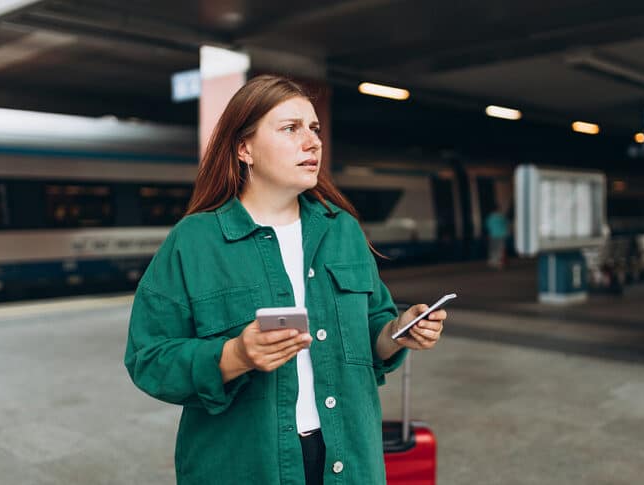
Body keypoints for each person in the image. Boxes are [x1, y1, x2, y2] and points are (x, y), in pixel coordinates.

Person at [124, 74, 447, 485]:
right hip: (244, 467)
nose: (312, 142)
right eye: (290, 129)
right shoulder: (195, 241)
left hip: (348, 460)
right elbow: (148, 358)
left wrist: (399, 330)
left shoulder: (341, 229)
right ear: (245, 149)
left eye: (314, 128)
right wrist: (237, 355)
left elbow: (373, 331)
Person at [485, 203, 509, 269]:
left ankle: (493, 261)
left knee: (493, 248)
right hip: (502, 235)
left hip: (493, 235)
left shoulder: (490, 217)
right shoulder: (502, 216)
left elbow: (487, 225)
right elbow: (506, 224)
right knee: (501, 248)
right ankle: (501, 262)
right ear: (498, 209)